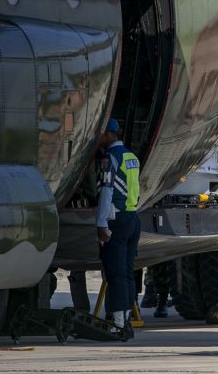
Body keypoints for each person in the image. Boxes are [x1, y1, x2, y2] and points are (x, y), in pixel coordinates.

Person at [96, 117, 142, 338]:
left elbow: (106, 191)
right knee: (126, 272)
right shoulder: (131, 157)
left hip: (117, 219)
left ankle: (117, 323)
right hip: (133, 217)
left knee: (115, 273)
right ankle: (127, 321)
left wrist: (101, 223)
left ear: (107, 135)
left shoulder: (109, 158)